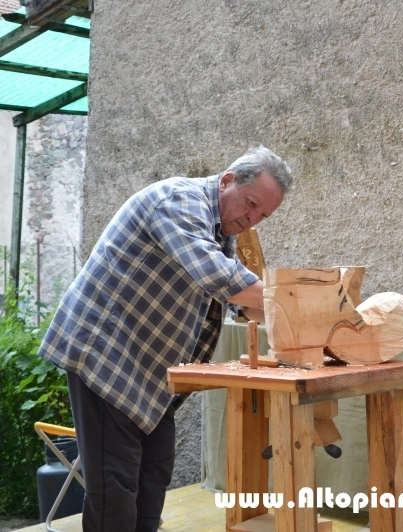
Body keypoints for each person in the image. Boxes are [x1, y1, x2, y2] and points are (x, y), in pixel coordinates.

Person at [38, 146, 293, 532]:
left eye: (263, 215)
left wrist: (299, 318)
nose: (252, 219)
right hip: (105, 353)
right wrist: (295, 299)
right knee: (115, 485)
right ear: (227, 181)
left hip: (148, 371)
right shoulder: (180, 201)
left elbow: (242, 303)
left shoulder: (220, 229)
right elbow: (218, 277)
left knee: (154, 475)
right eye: (251, 204)